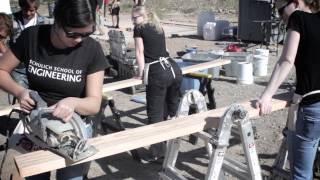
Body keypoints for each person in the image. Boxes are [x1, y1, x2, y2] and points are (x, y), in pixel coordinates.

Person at [0, 0, 108, 179]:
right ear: (57, 22)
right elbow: (2, 70)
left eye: (87, 33)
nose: (80, 40)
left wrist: (73, 102)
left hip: (73, 131)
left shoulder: (92, 49)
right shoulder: (32, 37)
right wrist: (19, 91)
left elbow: (94, 103)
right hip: (36, 128)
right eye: (73, 34)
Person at [256, 0, 320, 179]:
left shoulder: (298, 18)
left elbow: (286, 60)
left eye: (281, 11)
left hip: (312, 107)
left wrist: (267, 95)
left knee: (301, 174)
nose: (281, 17)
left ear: (296, 3)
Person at [132, 6, 182, 162]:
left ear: (142, 16)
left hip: (158, 72)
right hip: (173, 68)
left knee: (155, 113)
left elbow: (139, 52)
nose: (133, 21)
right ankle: (173, 146)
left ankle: (157, 153)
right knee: (171, 110)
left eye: (135, 18)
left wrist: (140, 73)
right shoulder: (158, 26)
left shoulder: (139, 28)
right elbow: (165, 49)